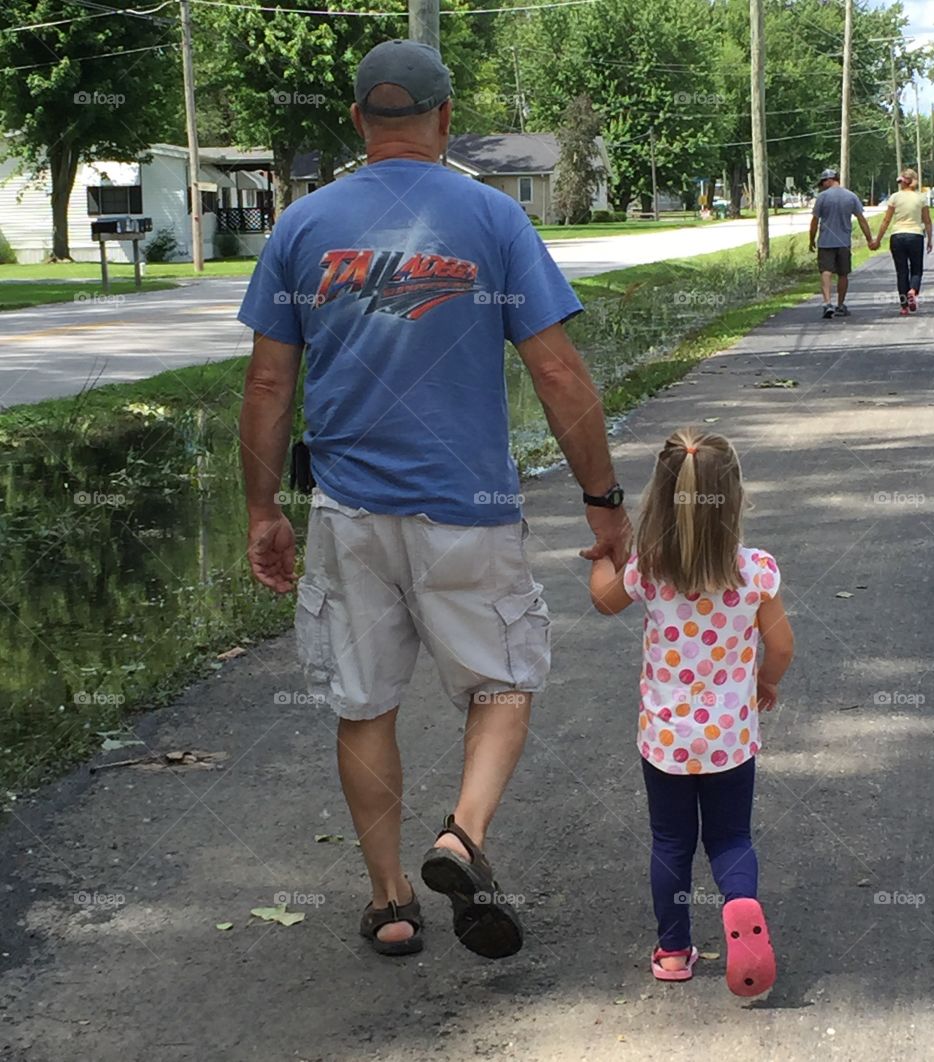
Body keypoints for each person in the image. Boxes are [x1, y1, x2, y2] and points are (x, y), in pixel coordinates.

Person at [237, 39, 631, 960]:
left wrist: (263, 511)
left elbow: (265, 390)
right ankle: (464, 834)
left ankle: (391, 902)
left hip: (346, 512)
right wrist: (603, 501)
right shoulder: (493, 220)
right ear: (446, 119)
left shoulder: (301, 227)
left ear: (357, 122)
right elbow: (559, 374)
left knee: (365, 703)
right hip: (470, 509)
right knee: (500, 684)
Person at [588, 428, 794, 997]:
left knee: (671, 843)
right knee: (730, 838)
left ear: (659, 499)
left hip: (666, 742)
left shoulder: (648, 568)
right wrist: (766, 683)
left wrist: (608, 555)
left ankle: (675, 951)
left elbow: (603, 601)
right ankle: (742, 904)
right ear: (735, 500)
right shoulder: (755, 570)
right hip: (730, 737)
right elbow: (780, 646)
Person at [808, 167, 873, 319]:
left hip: (825, 242)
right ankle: (840, 305)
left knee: (826, 271)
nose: (822, 185)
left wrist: (811, 239)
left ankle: (826, 303)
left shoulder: (822, 198)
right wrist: (869, 238)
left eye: (823, 182)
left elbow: (815, 221)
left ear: (829, 180)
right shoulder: (851, 196)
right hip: (844, 242)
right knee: (843, 274)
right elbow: (861, 219)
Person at [869, 168, 933, 316]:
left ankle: (904, 307)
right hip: (915, 236)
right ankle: (913, 291)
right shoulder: (921, 198)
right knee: (916, 269)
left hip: (897, 236)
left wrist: (877, 240)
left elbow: (886, 221)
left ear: (903, 183)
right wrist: (929, 239)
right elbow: (927, 221)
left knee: (901, 271)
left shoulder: (894, 198)